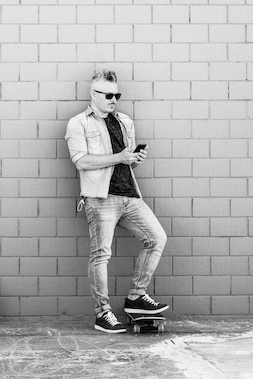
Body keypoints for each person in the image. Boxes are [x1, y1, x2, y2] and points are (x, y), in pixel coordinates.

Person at [65, 69, 169, 334]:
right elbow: (82, 161)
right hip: (100, 198)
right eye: (108, 95)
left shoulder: (124, 120)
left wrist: (133, 158)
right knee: (102, 254)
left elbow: (126, 156)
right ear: (94, 94)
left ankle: (136, 296)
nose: (114, 99)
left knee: (156, 238)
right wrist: (119, 157)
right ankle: (103, 313)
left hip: (129, 195)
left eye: (117, 95)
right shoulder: (79, 123)